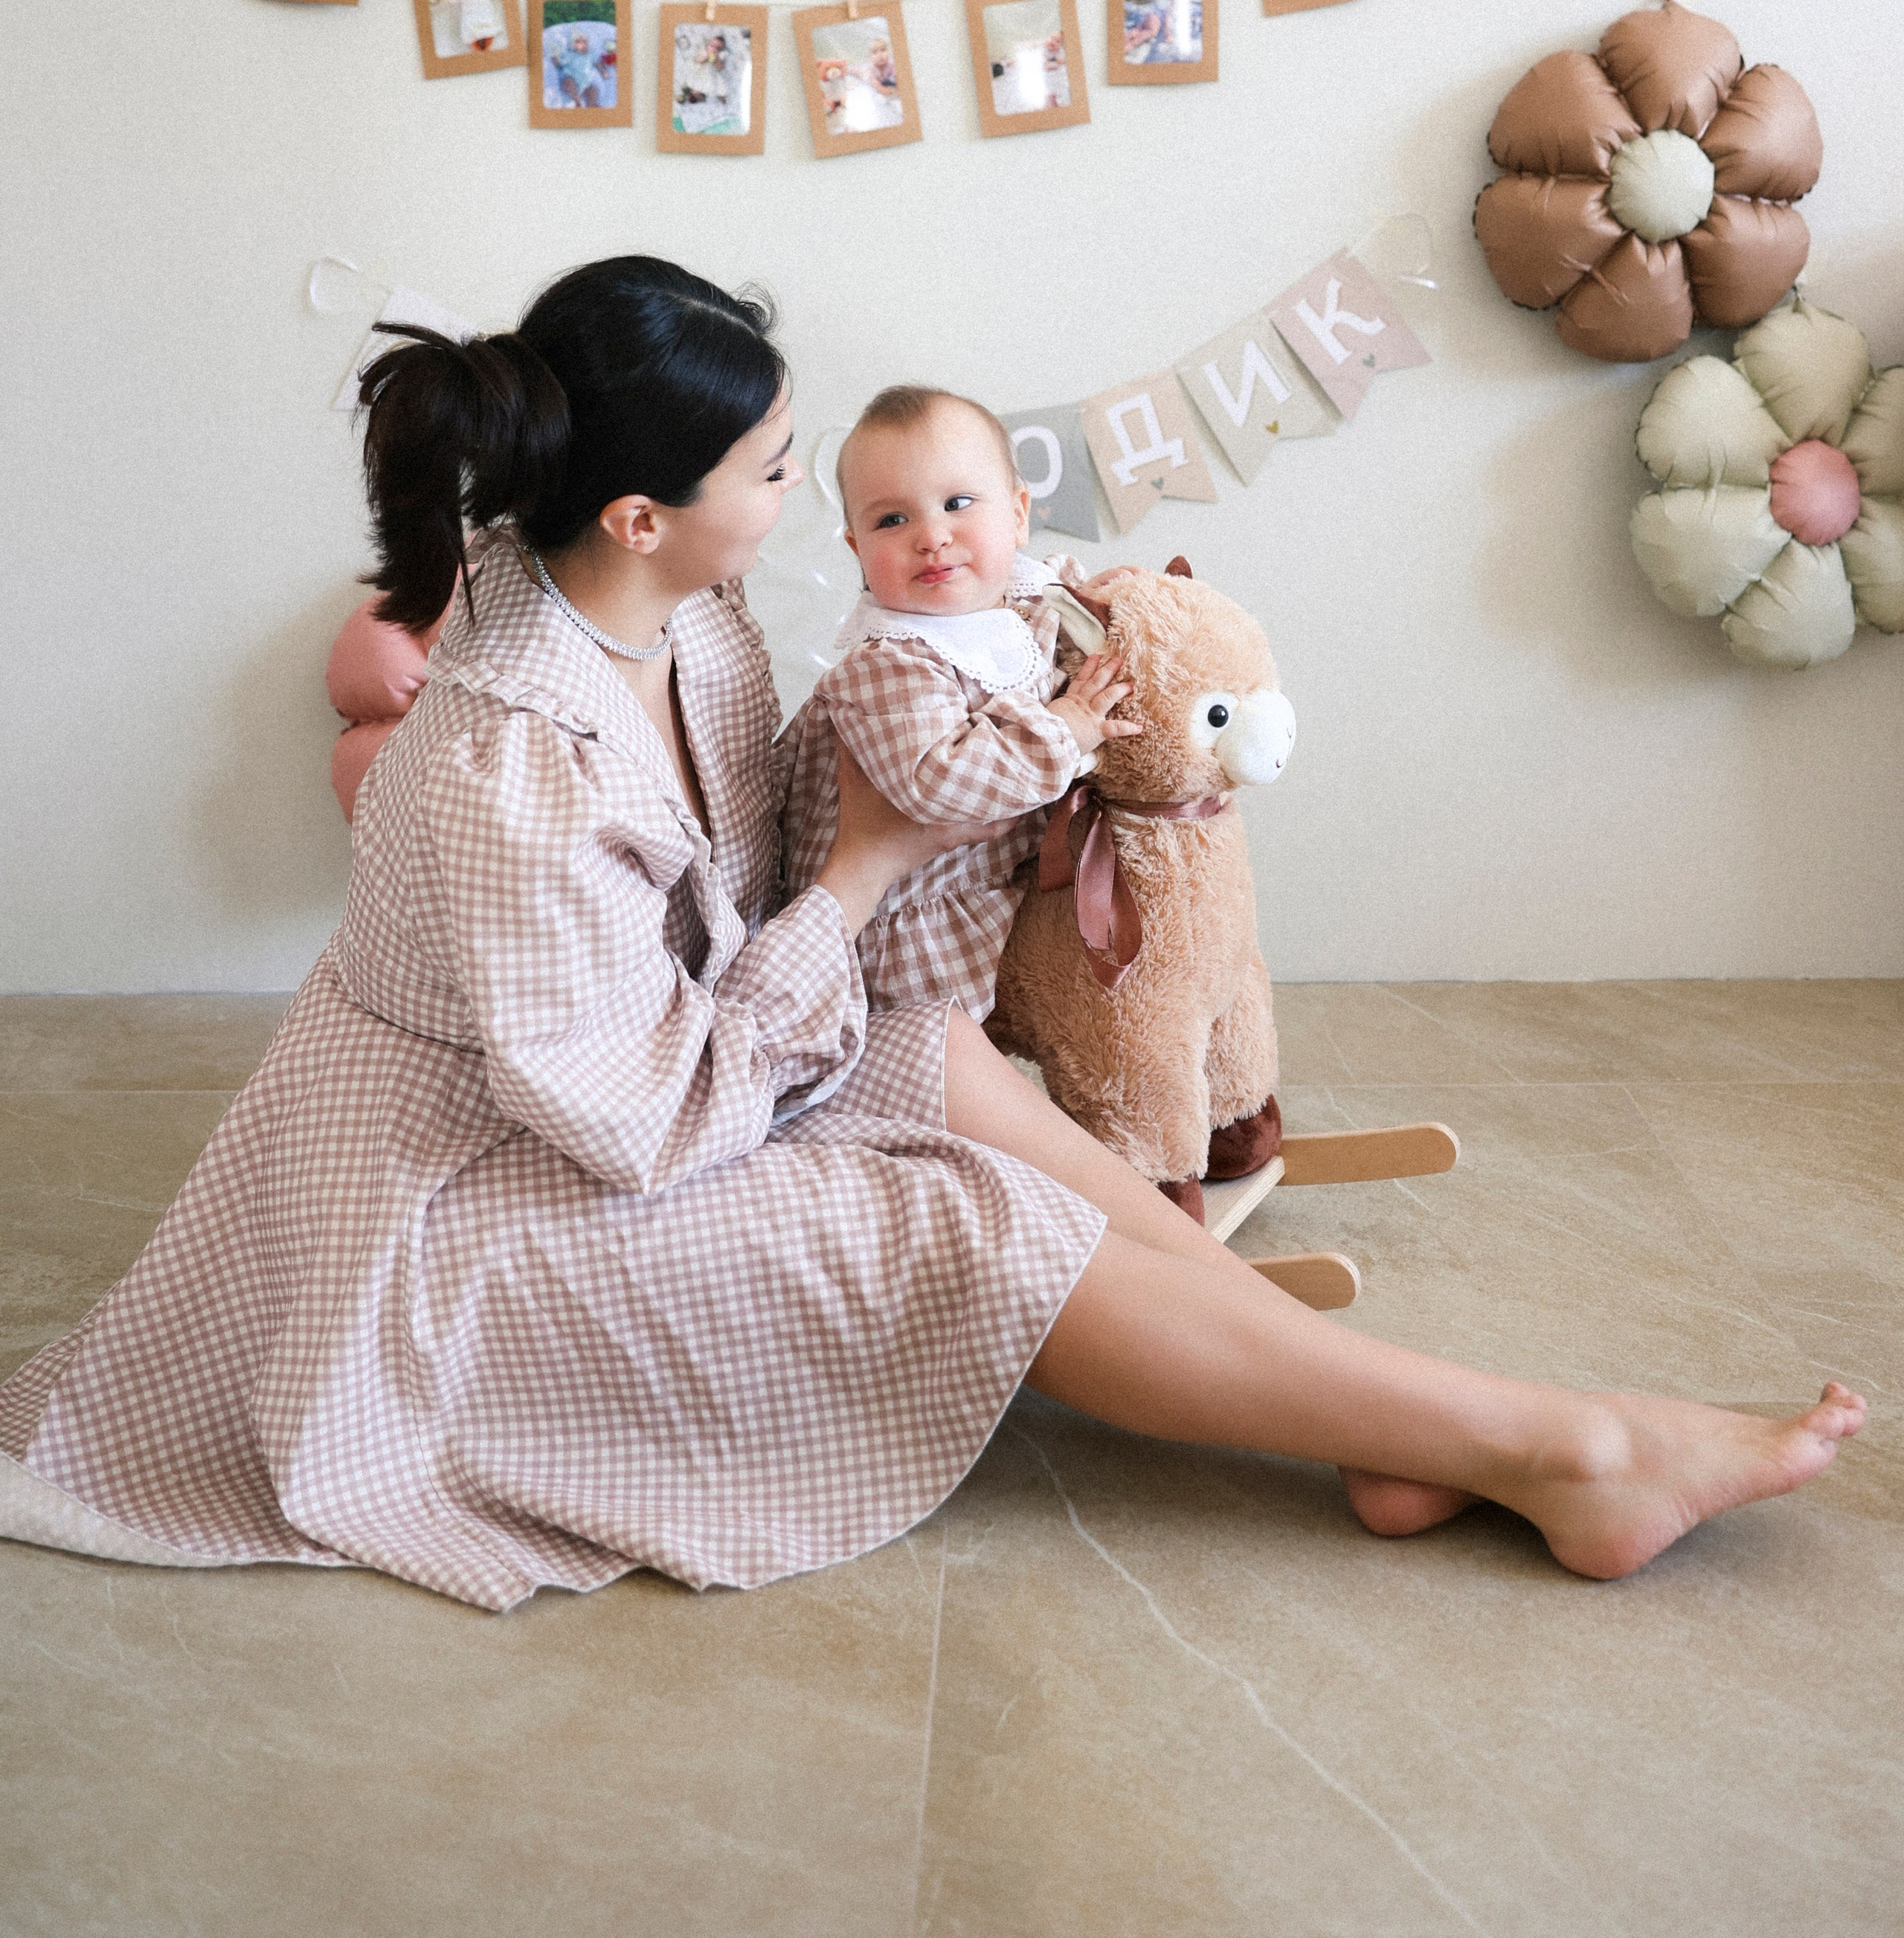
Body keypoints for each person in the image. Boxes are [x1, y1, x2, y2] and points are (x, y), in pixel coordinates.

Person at [0, 257, 1863, 1609]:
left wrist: (979, 759)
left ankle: (1404, 1420)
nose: (800, 500)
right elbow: (638, 1115)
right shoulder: (510, 764)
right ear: (644, 509)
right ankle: (1553, 1450)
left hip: (658, 1059)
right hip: (471, 1205)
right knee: (950, 1219)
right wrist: (875, 869)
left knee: (938, 1061)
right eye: (775, 469)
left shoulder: (671, 608)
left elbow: (761, 891)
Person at [782, 384, 1136, 1019]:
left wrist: (1105, 605)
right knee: (948, 1055)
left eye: (958, 503)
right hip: (901, 930)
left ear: (1019, 514)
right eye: (892, 520)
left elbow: (1061, 622)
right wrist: (1066, 727)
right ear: (857, 550)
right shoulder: (888, 662)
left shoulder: (1022, 602)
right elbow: (940, 780)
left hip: (998, 893)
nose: (932, 536)